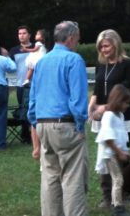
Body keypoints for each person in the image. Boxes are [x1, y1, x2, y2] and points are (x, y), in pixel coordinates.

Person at [27, 21, 89, 216]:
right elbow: (78, 99)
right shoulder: (74, 60)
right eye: (78, 38)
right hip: (65, 124)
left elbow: (33, 99)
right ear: (71, 38)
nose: (78, 42)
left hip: (43, 124)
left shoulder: (42, 61)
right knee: (73, 178)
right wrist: (80, 125)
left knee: (50, 177)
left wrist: (35, 122)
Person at [88, 29, 130, 208]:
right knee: (105, 154)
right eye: (101, 46)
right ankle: (106, 195)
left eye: (107, 45)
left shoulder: (127, 64)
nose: (103, 49)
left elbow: (128, 90)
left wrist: (106, 108)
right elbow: (97, 88)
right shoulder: (101, 64)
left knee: (120, 153)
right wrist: (92, 106)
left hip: (122, 116)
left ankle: (123, 193)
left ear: (116, 44)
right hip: (103, 116)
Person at [95, 84, 130, 216]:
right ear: (118, 100)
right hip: (110, 154)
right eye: (126, 102)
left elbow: (120, 136)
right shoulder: (109, 116)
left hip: (116, 153)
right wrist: (119, 152)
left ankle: (115, 203)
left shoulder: (120, 116)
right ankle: (117, 207)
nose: (127, 106)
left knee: (118, 178)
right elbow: (108, 138)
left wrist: (124, 151)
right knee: (118, 179)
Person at [9, 25, 34, 143]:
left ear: (29, 35)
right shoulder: (14, 51)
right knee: (23, 110)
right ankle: (25, 135)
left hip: (35, 85)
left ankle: (35, 134)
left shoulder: (36, 48)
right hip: (20, 85)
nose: (21, 36)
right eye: (19, 34)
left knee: (34, 109)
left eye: (24, 33)